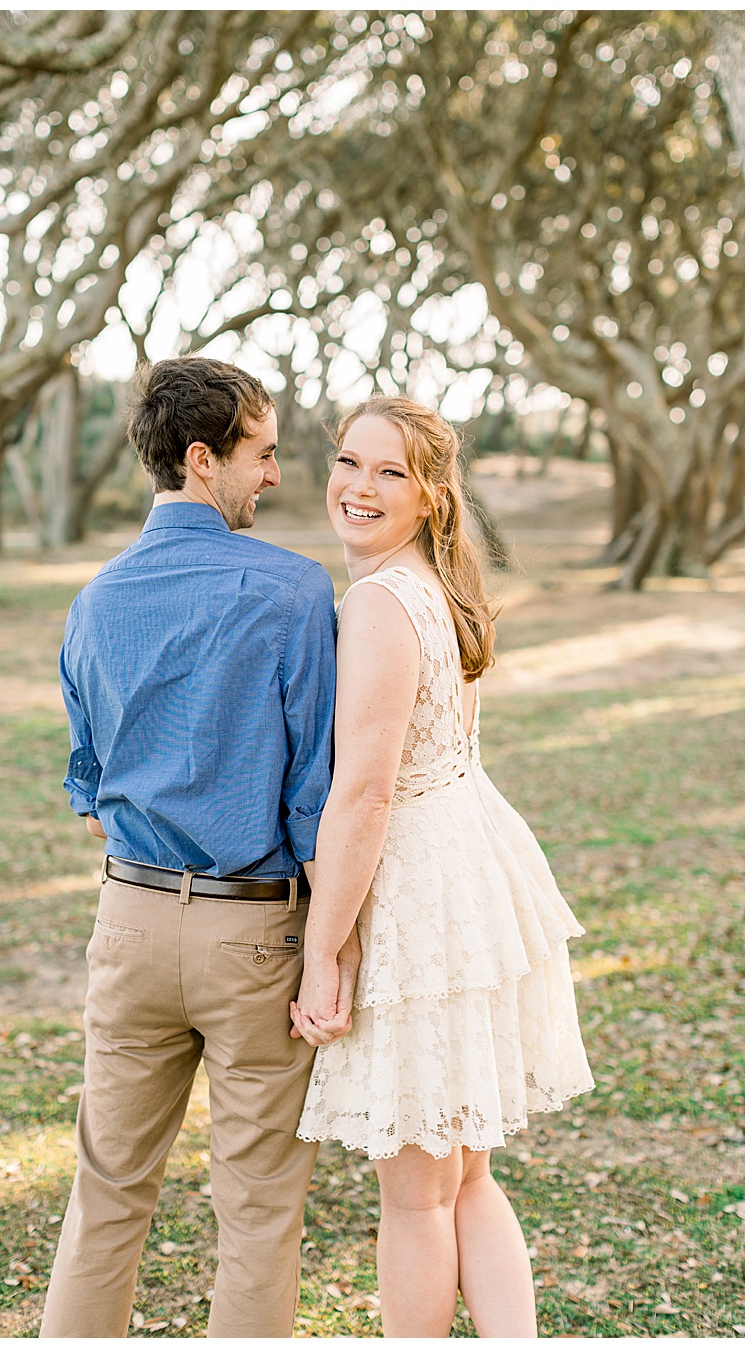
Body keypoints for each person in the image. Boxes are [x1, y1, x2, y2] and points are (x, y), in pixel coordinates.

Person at [41, 356, 354, 1338]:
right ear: (201, 456)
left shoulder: (93, 601)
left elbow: (85, 783)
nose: (275, 476)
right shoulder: (298, 593)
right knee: (259, 1208)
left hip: (126, 924)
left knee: (106, 1195)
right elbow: (315, 797)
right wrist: (333, 952)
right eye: (261, 455)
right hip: (254, 934)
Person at [292, 396, 594, 1337]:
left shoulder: (381, 604)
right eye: (350, 463)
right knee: (464, 1175)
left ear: (429, 494)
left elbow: (365, 796)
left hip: (425, 896)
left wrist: (322, 947)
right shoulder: (436, 583)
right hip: (469, 870)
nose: (359, 487)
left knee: (418, 1194)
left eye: (389, 473)